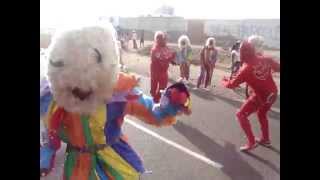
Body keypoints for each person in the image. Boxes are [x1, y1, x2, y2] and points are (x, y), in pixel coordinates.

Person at [40, 24, 191, 179]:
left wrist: (169, 106)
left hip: (114, 161)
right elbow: (50, 132)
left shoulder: (119, 95)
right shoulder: (54, 101)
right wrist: (46, 152)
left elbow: (152, 112)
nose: (81, 91)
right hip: (78, 167)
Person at [221, 39, 280, 151]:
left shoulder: (245, 68)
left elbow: (232, 84)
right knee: (261, 114)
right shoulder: (266, 59)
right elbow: (279, 68)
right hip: (273, 93)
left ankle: (251, 142)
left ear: (242, 53)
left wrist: (224, 81)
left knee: (241, 114)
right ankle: (265, 139)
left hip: (261, 96)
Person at [150, 31, 176, 103]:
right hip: (155, 71)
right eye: (163, 39)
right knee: (153, 87)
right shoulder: (155, 49)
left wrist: (173, 60)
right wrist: (169, 58)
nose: (165, 41)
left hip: (163, 72)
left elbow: (169, 55)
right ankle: (154, 98)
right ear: (158, 39)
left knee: (163, 87)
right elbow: (161, 59)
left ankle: (156, 99)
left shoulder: (166, 48)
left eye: (165, 39)